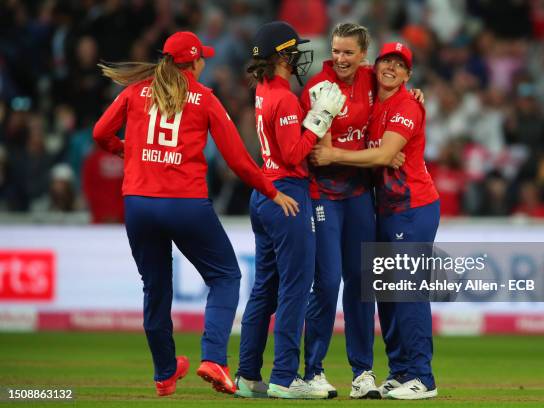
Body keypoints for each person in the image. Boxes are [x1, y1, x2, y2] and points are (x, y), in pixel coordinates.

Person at [92, 31, 299, 397]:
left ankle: (165, 374)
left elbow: (99, 133)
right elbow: (236, 159)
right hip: (185, 203)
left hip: (139, 204)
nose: (205, 62)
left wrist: (126, 151)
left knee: (155, 289)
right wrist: (271, 190)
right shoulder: (204, 99)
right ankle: (214, 358)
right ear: (195, 63)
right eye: (202, 57)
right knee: (225, 275)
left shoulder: (135, 92)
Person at [311, 42, 440, 400]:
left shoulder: (406, 105)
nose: (392, 69)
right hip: (384, 208)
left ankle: (422, 377)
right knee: (386, 292)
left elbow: (384, 153)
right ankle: (399, 372)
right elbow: (382, 155)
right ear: (375, 64)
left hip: (413, 207)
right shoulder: (375, 99)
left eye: (400, 66)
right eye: (388, 61)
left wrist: (333, 154)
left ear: (408, 75)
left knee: (408, 292)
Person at [234, 21, 346, 399]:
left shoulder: (266, 90)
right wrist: (320, 119)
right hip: (287, 195)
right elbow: (294, 154)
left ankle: (248, 375)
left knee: (265, 289)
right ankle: (284, 376)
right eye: (294, 51)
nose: (299, 56)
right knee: (295, 289)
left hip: (264, 193)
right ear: (281, 56)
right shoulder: (281, 98)